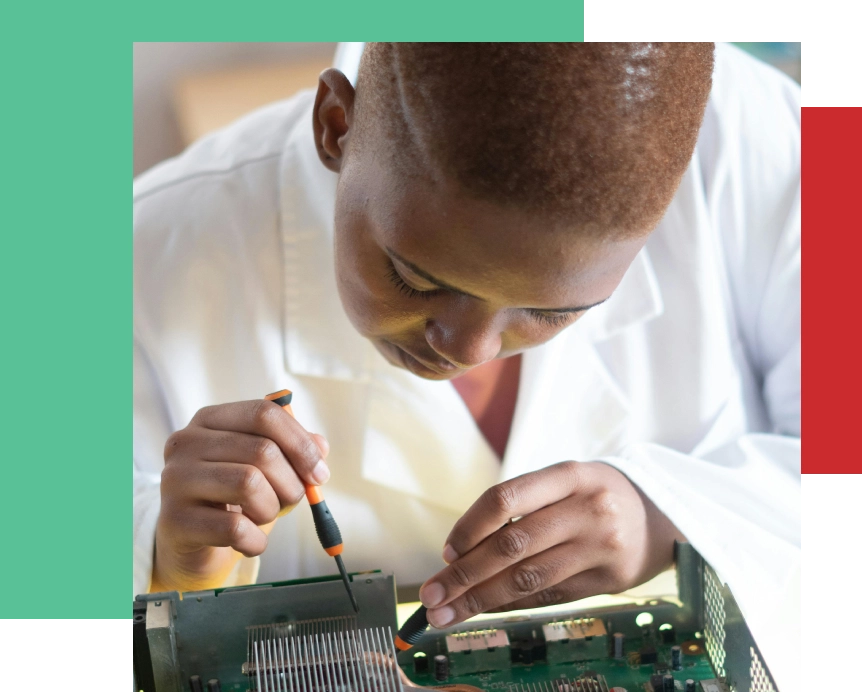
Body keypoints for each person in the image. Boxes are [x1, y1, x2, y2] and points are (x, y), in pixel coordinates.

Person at [134, 42, 803, 688]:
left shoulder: (817, 156)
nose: (468, 349)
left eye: (555, 310)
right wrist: (174, 568)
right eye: (415, 280)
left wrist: (665, 513)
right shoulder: (129, 256)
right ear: (337, 126)